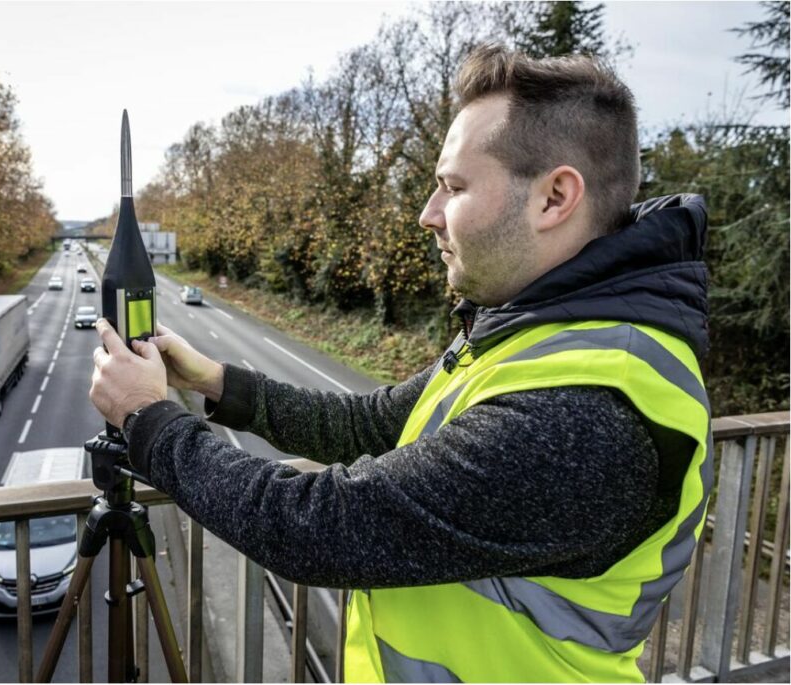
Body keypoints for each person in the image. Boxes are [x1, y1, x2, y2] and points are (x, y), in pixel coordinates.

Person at [89, 44, 711, 683]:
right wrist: (215, 380)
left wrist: (148, 419)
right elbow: (371, 425)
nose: (428, 214)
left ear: (554, 197)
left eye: (454, 187)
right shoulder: (536, 341)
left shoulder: (581, 415)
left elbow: (315, 528)